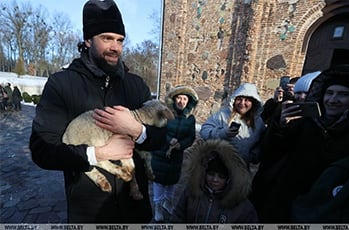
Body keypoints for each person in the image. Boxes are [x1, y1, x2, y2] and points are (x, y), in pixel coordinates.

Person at [30, 0, 166, 223]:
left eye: (120, 40)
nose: (115, 47)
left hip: (135, 209)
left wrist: (137, 130)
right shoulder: (61, 84)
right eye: (107, 38)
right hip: (88, 213)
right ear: (88, 40)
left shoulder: (136, 85)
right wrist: (98, 153)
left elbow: (161, 137)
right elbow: (41, 150)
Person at [251, 64, 349, 223]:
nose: (333, 100)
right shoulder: (307, 122)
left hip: (323, 211)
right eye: (329, 93)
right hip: (283, 203)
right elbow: (272, 152)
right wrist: (281, 126)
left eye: (343, 94)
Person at [170, 139, 258, 223]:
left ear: (229, 179)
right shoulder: (191, 193)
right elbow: (178, 217)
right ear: (204, 173)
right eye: (211, 174)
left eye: (221, 176)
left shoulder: (241, 205)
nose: (215, 179)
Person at [150, 86, 198, 222]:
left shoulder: (191, 119)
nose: (181, 101)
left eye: (185, 99)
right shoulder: (164, 113)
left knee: (171, 182)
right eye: (179, 98)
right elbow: (158, 130)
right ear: (174, 99)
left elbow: (191, 137)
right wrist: (169, 140)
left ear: (188, 101)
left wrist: (180, 145)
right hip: (160, 154)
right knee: (158, 182)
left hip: (176, 157)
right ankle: (158, 207)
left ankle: (168, 203)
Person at [200, 83, 265, 165]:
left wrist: (254, 155)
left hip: (241, 166)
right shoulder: (222, 115)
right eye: (239, 99)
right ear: (234, 100)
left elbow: (262, 141)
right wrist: (223, 133)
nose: (242, 103)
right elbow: (204, 131)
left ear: (253, 103)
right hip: (218, 165)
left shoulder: (258, 122)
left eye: (247, 100)